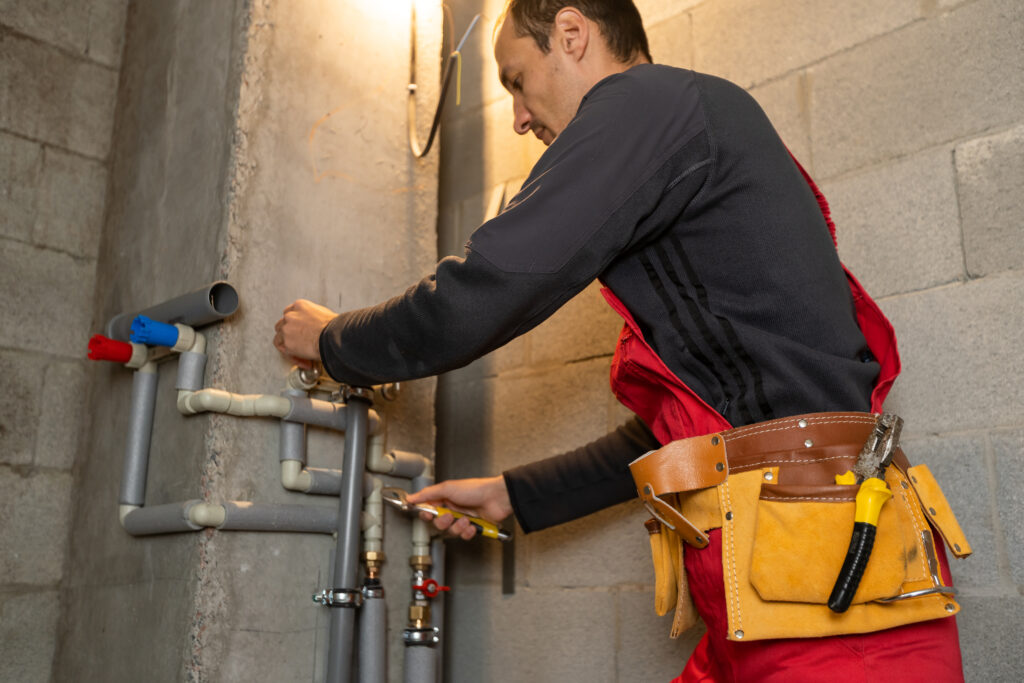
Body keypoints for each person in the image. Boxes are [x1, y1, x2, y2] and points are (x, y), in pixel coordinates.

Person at [274, 1, 965, 680]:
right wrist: (515, 494)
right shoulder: (686, 135)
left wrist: (334, 342)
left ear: (572, 33)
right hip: (778, 589)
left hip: (837, 613)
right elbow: (688, 433)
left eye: (517, 80)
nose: (519, 117)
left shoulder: (646, 103)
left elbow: (493, 284)